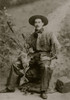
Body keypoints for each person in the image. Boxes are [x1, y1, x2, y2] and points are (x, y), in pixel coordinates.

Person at [25, 15, 61, 99]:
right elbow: (26, 46)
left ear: (43, 23)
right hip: (34, 57)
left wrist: (51, 58)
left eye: (39, 22)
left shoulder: (49, 33)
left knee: (46, 67)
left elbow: (57, 46)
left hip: (45, 56)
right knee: (17, 64)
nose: (37, 24)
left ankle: (43, 90)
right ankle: (10, 87)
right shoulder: (32, 35)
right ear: (34, 24)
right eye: (35, 22)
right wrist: (25, 54)